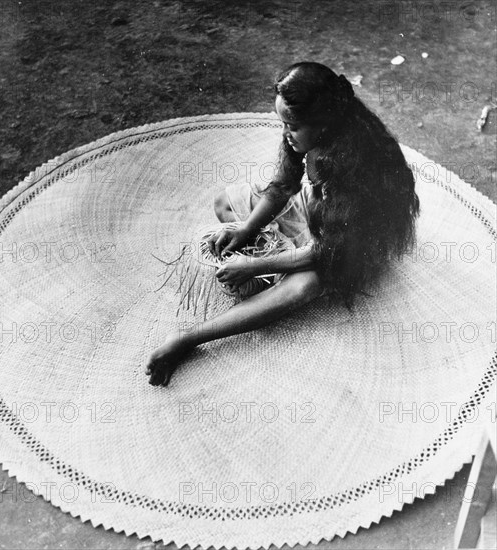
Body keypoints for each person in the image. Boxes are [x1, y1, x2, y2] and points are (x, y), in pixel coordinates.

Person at [146, 61, 420, 386]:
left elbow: (329, 250)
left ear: (322, 124)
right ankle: (276, 267)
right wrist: (247, 228)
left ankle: (190, 338)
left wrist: (255, 264)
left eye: (292, 125)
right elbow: (284, 186)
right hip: (321, 208)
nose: (285, 133)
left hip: (353, 243)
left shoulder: (352, 162)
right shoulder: (310, 136)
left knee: (303, 285)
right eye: (283, 122)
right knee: (224, 205)